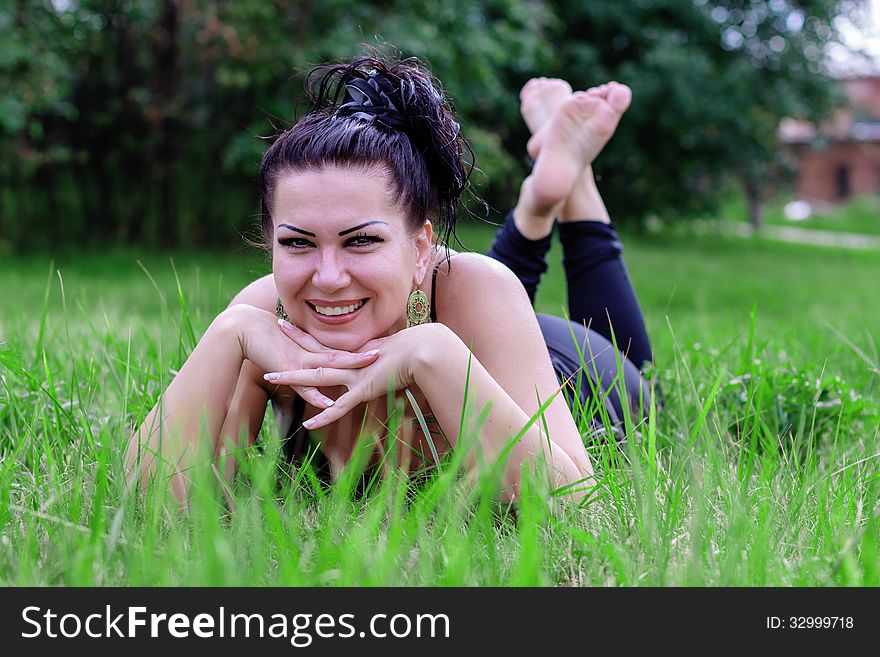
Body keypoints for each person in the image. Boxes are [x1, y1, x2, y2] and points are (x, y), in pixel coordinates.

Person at [126, 56, 653, 504]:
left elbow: (573, 503)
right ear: (269, 244)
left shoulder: (477, 290)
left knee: (624, 349)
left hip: (576, 369)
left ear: (421, 248)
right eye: (297, 242)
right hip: (445, 303)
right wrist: (227, 332)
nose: (327, 278)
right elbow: (153, 502)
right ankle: (542, 195)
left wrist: (436, 354)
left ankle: (569, 185)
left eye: (361, 241)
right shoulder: (262, 318)